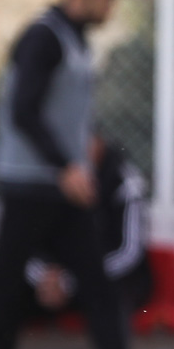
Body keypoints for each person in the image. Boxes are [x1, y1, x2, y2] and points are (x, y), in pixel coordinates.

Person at [0, 0, 168, 349]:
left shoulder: (75, 42)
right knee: (4, 286)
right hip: (32, 182)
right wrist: (65, 165)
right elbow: (23, 110)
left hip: (65, 186)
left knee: (97, 283)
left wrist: (73, 166)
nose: (110, 9)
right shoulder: (43, 37)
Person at [22, 131, 153, 331]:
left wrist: (69, 281)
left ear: (100, 143)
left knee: (111, 299)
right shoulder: (50, 177)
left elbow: (128, 251)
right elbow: (24, 240)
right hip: (55, 276)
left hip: (107, 275)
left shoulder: (125, 182)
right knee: (6, 293)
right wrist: (44, 277)